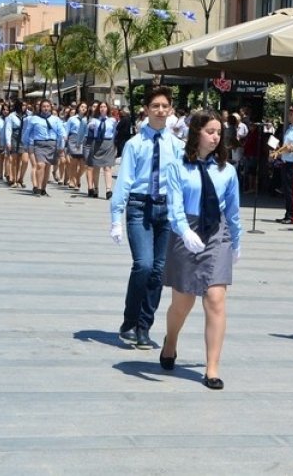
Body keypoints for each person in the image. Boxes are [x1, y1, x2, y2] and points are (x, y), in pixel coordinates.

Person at [161, 110, 242, 390]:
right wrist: (184, 230)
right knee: (183, 303)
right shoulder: (177, 166)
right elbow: (174, 206)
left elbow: (232, 211)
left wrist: (237, 242)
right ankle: (170, 340)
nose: (216, 137)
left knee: (216, 298)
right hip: (188, 231)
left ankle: (212, 368)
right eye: (210, 131)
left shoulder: (227, 171)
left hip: (217, 233)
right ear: (195, 133)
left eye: (219, 132)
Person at [110, 87, 185, 349]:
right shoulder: (135, 144)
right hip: (140, 207)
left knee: (158, 271)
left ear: (171, 109)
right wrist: (115, 218)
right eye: (155, 106)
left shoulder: (176, 146)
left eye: (165, 106)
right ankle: (129, 321)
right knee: (143, 264)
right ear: (146, 109)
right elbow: (124, 182)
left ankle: (144, 326)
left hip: (166, 211)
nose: (161, 110)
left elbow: (181, 183)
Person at [21, 100, 65, 197]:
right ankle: (39, 187)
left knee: (47, 167)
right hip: (39, 144)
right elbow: (27, 132)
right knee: (40, 165)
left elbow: (61, 132)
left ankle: (44, 189)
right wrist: (26, 144)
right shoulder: (34, 119)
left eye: (48, 106)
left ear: (50, 108)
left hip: (52, 144)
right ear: (40, 108)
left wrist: (61, 146)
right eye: (44, 106)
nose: (46, 108)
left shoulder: (56, 119)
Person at [86, 101, 118, 199]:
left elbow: (115, 132)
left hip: (108, 143)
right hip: (97, 143)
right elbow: (89, 126)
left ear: (107, 109)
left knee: (107, 167)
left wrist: (115, 145)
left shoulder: (112, 120)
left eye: (104, 107)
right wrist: (91, 125)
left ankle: (108, 190)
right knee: (96, 167)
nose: (102, 109)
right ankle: (96, 188)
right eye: (101, 107)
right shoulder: (95, 120)